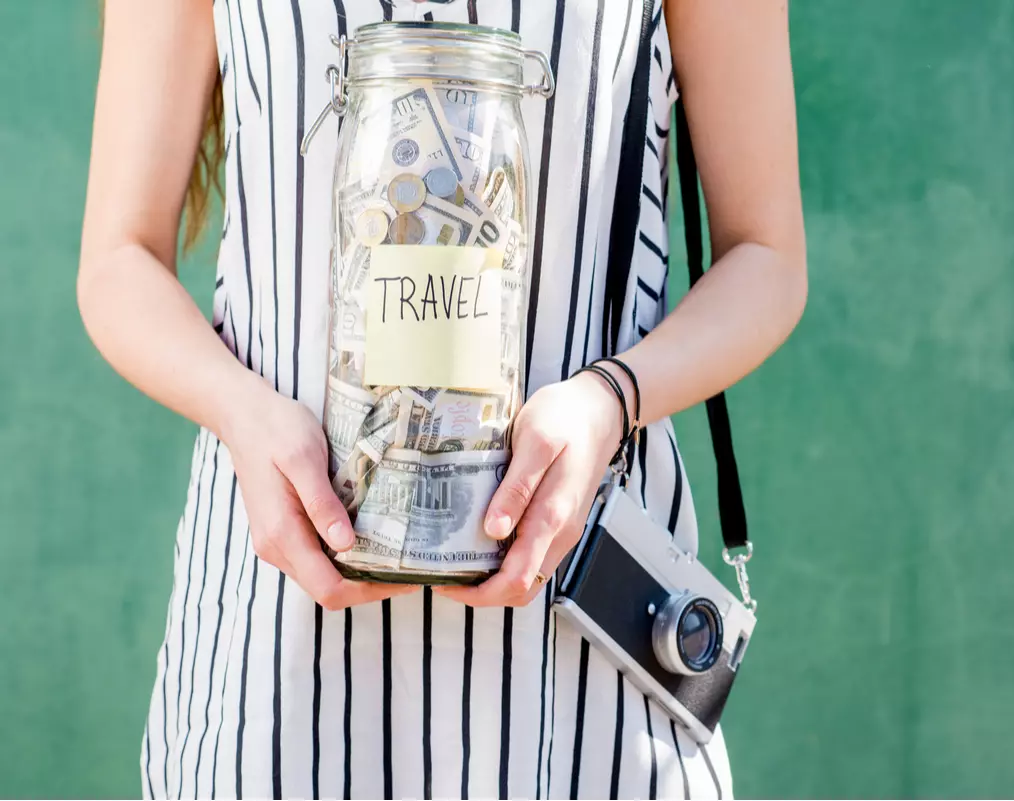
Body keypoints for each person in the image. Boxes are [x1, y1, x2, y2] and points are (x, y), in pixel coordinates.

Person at [78, 1, 805, 798]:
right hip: (275, 637)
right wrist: (241, 412)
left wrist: (609, 398)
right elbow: (118, 260)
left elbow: (766, 255)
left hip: (583, 648)